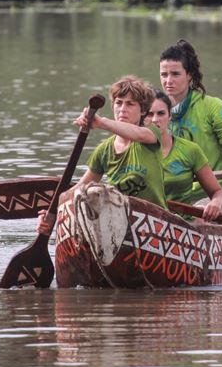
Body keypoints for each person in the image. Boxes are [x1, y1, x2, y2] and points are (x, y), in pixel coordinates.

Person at [38, 76, 167, 243]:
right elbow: (78, 189)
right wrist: (52, 212)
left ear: (142, 111)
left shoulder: (151, 133)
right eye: (119, 103)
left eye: (130, 104)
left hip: (156, 225)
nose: (122, 109)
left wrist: (101, 122)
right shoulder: (104, 150)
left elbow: (138, 134)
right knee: (90, 194)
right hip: (119, 226)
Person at [159, 39, 222, 190]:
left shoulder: (214, 107)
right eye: (164, 75)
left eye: (175, 74)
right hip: (172, 194)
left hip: (213, 193)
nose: (168, 81)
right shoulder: (153, 111)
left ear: (189, 75)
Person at [147, 90, 222, 220]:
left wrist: (216, 203)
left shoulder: (190, 150)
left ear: (170, 116)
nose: (155, 120)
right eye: (149, 114)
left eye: (161, 113)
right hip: (146, 220)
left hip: (183, 223)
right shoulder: (130, 149)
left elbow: (218, 193)